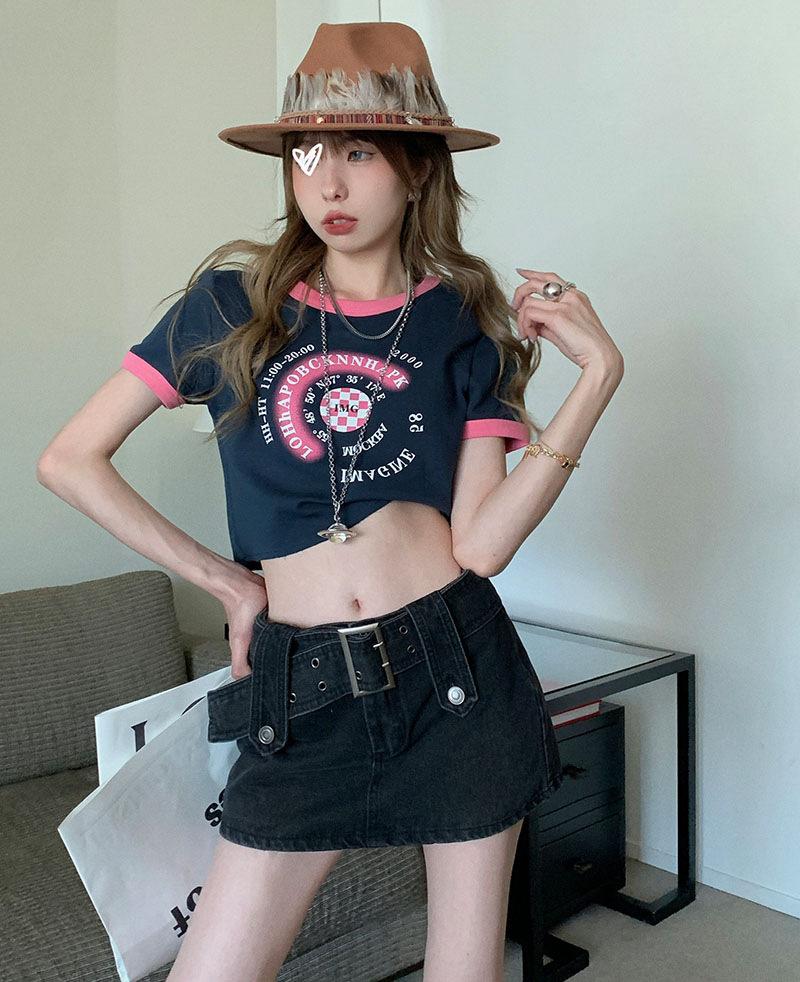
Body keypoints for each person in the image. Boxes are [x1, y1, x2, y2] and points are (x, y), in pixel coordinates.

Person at [36, 20, 624, 982]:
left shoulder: (463, 322)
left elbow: (480, 547)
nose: (329, 184)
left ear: (418, 169)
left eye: (359, 152)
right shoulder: (229, 308)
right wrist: (227, 583)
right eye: (307, 154)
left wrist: (596, 378)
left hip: (458, 672)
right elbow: (71, 460)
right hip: (300, 690)